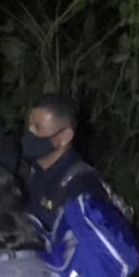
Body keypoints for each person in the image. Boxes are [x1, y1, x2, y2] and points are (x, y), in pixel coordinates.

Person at [20, 93, 107, 234]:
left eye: (38, 128)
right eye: (29, 127)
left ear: (65, 137)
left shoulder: (80, 187)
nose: (29, 134)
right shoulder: (29, 170)